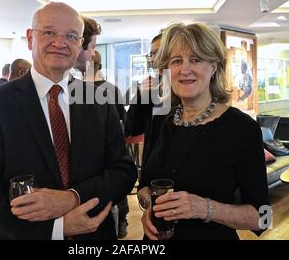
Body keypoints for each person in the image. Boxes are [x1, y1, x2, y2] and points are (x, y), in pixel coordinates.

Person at [0, 2, 137, 240]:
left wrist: (73, 197)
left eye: (70, 35)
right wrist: (56, 229)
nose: (59, 43)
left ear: (79, 45)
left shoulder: (98, 101)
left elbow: (123, 172)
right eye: (49, 32)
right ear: (29, 38)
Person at [137, 23, 270, 240]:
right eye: (176, 61)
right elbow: (144, 187)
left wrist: (203, 208)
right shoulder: (160, 121)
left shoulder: (241, 128)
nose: (185, 69)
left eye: (196, 59)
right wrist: (150, 209)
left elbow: (262, 217)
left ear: (214, 67)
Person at [86, 51, 128, 238]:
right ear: (100, 67)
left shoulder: (70, 92)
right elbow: (123, 120)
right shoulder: (111, 89)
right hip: (111, 148)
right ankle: (122, 222)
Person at [125, 33, 162, 167]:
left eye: (157, 53)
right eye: (151, 54)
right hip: (152, 163)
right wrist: (141, 97)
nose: (153, 59)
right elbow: (131, 129)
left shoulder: (186, 89)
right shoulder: (151, 86)